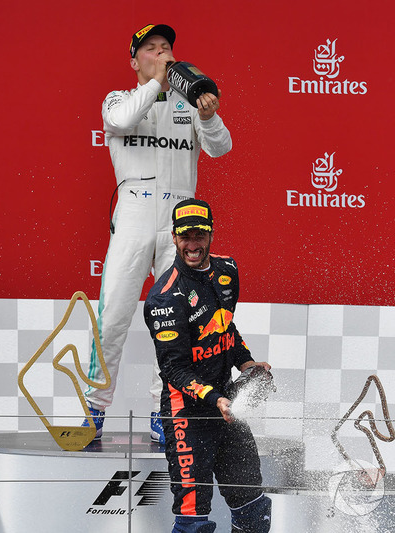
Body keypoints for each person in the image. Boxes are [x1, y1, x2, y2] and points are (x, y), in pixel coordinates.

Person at [85, 24, 232, 444]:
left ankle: (163, 410)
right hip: (132, 210)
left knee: (176, 319)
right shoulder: (119, 99)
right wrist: (156, 83)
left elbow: (221, 148)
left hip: (179, 220)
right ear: (135, 61)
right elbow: (120, 120)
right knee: (112, 313)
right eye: (151, 49)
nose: (162, 54)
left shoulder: (188, 104)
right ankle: (95, 408)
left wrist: (207, 114)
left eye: (167, 48)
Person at [144, 199, 272, 533]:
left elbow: (225, 328)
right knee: (194, 525)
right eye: (185, 236)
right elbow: (174, 369)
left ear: (210, 234)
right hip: (187, 417)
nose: (193, 244)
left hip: (227, 409)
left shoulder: (228, 271)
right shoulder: (164, 298)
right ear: (174, 238)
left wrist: (247, 364)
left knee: (255, 514)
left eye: (199, 235)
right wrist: (215, 398)